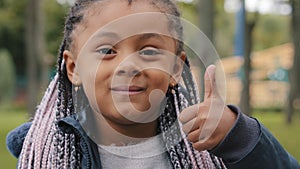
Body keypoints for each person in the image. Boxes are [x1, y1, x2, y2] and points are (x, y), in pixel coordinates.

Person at [6, 0, 300, 168]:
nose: (129, 65)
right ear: (73, 68)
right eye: (107, 50)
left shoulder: (209, 145)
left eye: (149, 51)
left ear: (175, 68)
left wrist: (240, 137)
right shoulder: (44, 149)